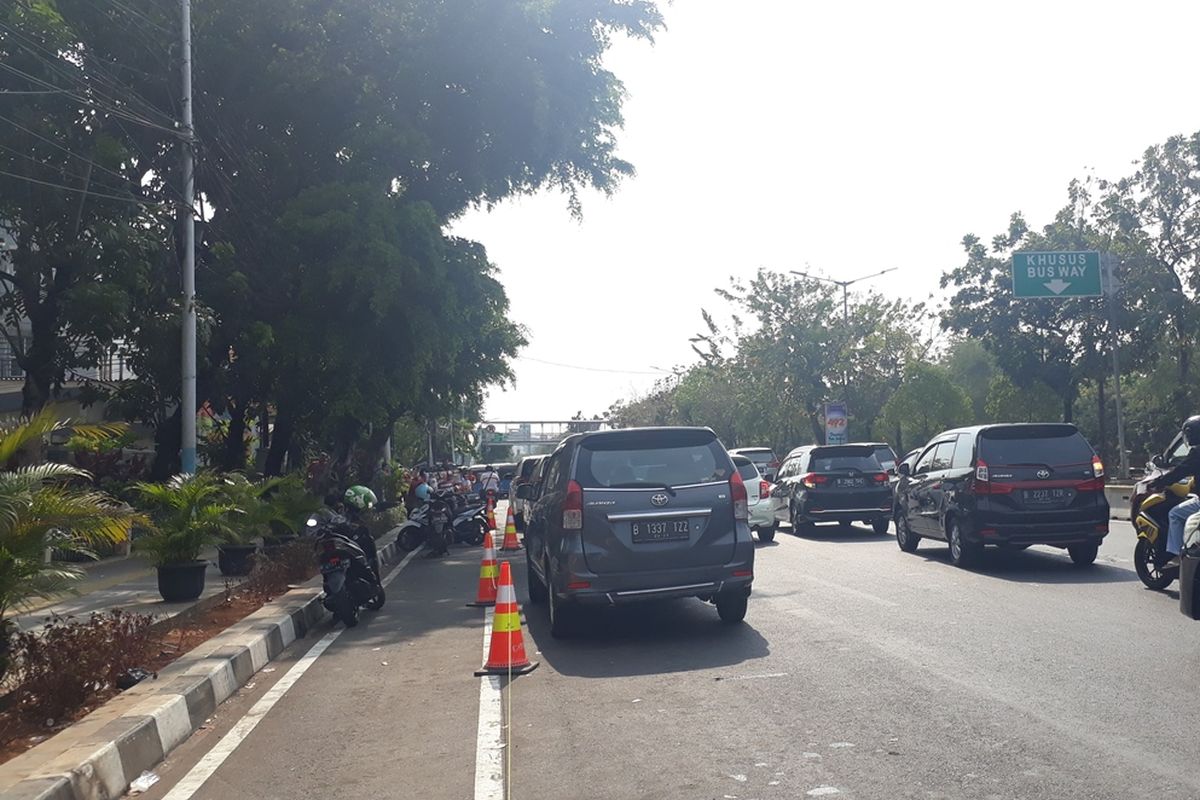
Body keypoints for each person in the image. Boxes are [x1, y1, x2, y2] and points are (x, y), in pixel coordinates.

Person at [1152, 415, 1200, 568]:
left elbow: (1180, 471)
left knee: (1174, 514)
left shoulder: (1197, 453)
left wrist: (1158, 482)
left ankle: (1176, 556)